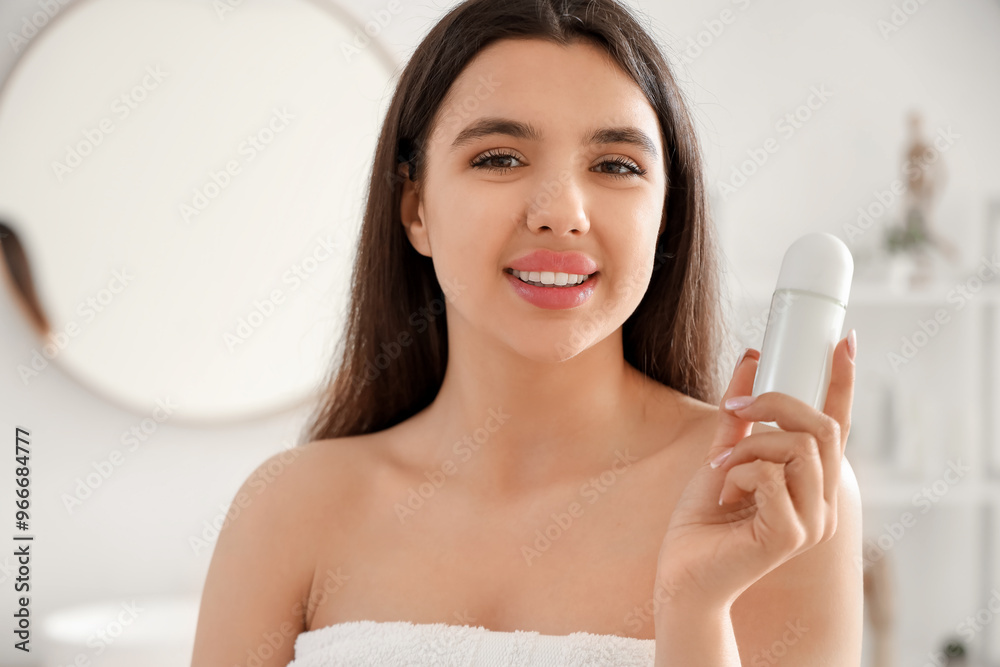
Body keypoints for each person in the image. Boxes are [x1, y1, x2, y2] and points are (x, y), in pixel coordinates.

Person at [191, 0, 862, 664]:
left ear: (664, 216)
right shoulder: (288, 508)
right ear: (415, 206)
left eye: (616, 165)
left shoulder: (765, 495)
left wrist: (694, 608)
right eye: (500, 158)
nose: (561, 213)